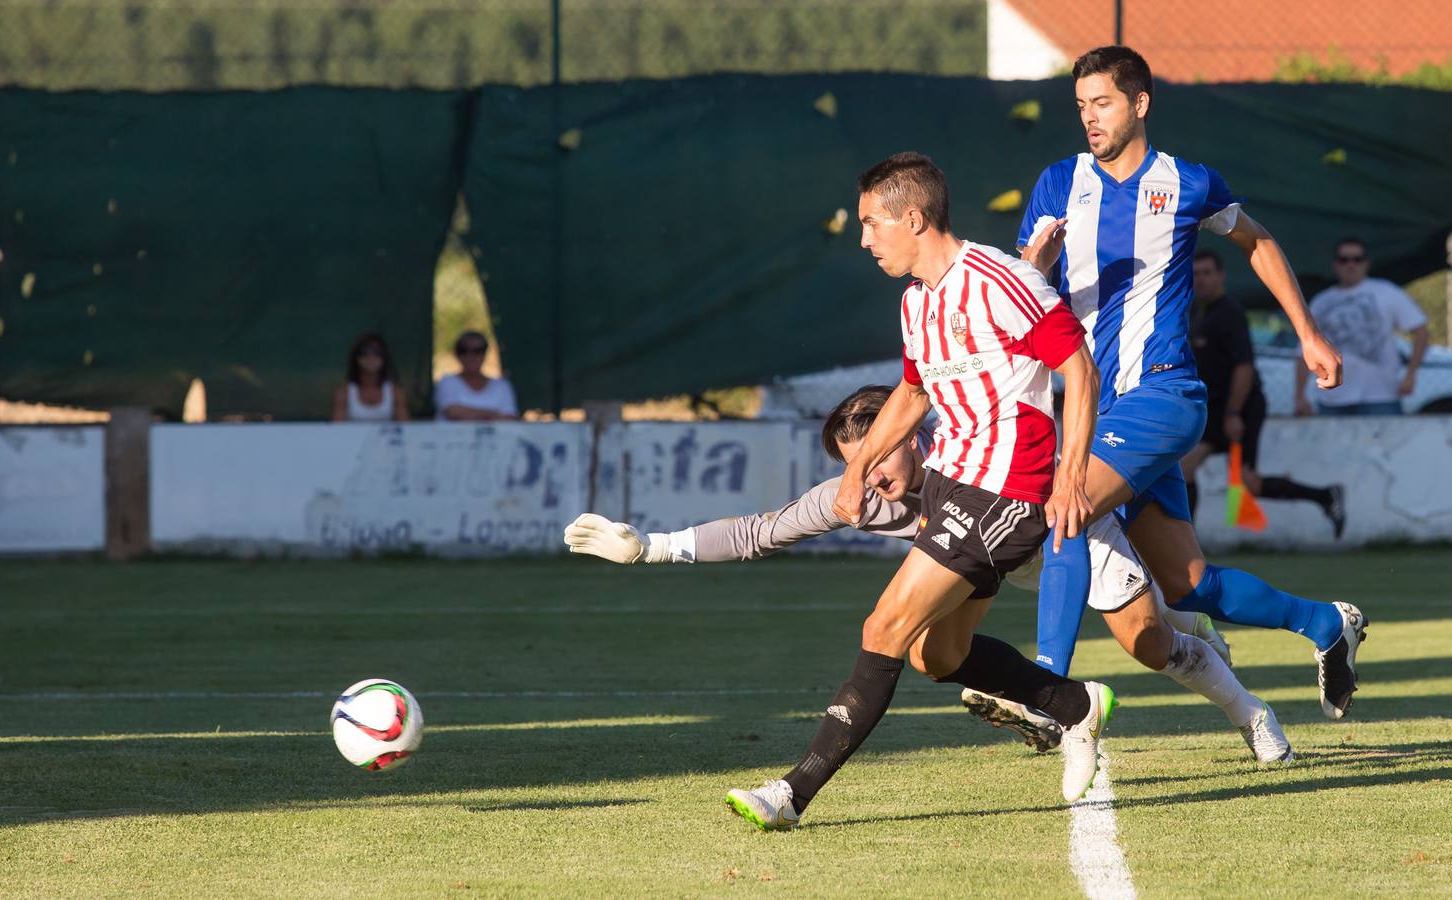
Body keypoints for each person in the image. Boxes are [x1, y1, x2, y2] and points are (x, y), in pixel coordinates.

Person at [685, 151, 1109, 831]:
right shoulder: (916, 302)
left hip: (1007, 490)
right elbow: (913, 393)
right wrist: (856, 469)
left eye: (870, 223)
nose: (862, 238)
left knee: (883, 626)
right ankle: (1073, 707)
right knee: (933, 655)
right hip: (952, 488)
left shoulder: (1003, 279)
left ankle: (792, 793)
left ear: (913, 218)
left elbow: (1078, 369)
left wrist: (1071, 475)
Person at [565, 385, 1290, 770]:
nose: (870, 476)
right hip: (992, 567)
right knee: (928, 653)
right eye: (856, 464)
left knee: (1147, 645)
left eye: (878, 454)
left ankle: (1250, 712)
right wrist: (650, 548)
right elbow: (761, 531)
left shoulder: (972, 451)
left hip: (1062, 535)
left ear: (912, 435)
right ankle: (1058, 702)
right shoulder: (860, 493)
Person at [1017, 46, 1367, 720]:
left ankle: (1046, 687)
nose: (1090, 118)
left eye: (1104, 103)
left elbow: (1257, 242)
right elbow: (1027, 290)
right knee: (1190, 585)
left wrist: (1308, 332)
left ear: (1139, 104)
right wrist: (1037, 262)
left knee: (1065, 507)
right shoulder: (1058, 182)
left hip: (1164, 395)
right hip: (1095, 406)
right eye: (1082, 106)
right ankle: (1325, 624)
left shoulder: (1187, 182)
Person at [1182, 250, 1345, 535]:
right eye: (1196, 274)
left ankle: (1325, 496)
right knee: (1187, 470)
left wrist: (1234, 413)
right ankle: (1186, 546)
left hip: (1240, 407)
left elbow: (1244, 367)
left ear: (1220, 276)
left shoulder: (1230, 313)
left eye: (1207, 273)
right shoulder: (1195, 311)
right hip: (1214, 407)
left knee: (1247, 484)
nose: (1202, 280)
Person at [1295, 237, 1430, 417]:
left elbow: (1421, 332)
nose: (1351, 265)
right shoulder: (1321, 302)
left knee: (1387, 445)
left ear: (1366, 263)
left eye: (1357, 259)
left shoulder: (1387, 292)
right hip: (1332, 399)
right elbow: (1304, 350)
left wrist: (1411, 374)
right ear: (1335, 265)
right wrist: (1299, 397)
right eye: (1344, 260)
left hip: (1382, 397)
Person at [436, 330, 519, 421]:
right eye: (463, 350)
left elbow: (510, 418)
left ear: (485, 353)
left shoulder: (502, 386)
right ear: (456, 354)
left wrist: (472, 414)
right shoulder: (447, 382)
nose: (470, 356)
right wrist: (492, 415)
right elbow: (453, 412)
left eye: (478, 351)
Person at [332, 333, 410, 422]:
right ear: (356, 358)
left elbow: (406, 429)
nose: (371, 358)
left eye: (377, 352)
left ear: (384, 358)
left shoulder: (395, 392)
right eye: (365, 353)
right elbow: (336, 431)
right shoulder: (344, 392)